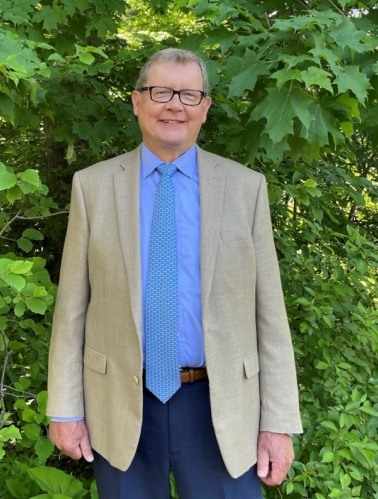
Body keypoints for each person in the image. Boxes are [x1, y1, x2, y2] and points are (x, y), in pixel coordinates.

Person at [46, 48, 302, 498]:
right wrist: (65, 410)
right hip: (120, 404)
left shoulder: (246, 188)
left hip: (221, 406)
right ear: (136, 101)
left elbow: (270, 317)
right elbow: (72, 310)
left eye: (188, 94)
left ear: (205, 107)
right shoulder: (92, 187)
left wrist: (278, 422)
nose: (174, 105)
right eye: (160, 91)